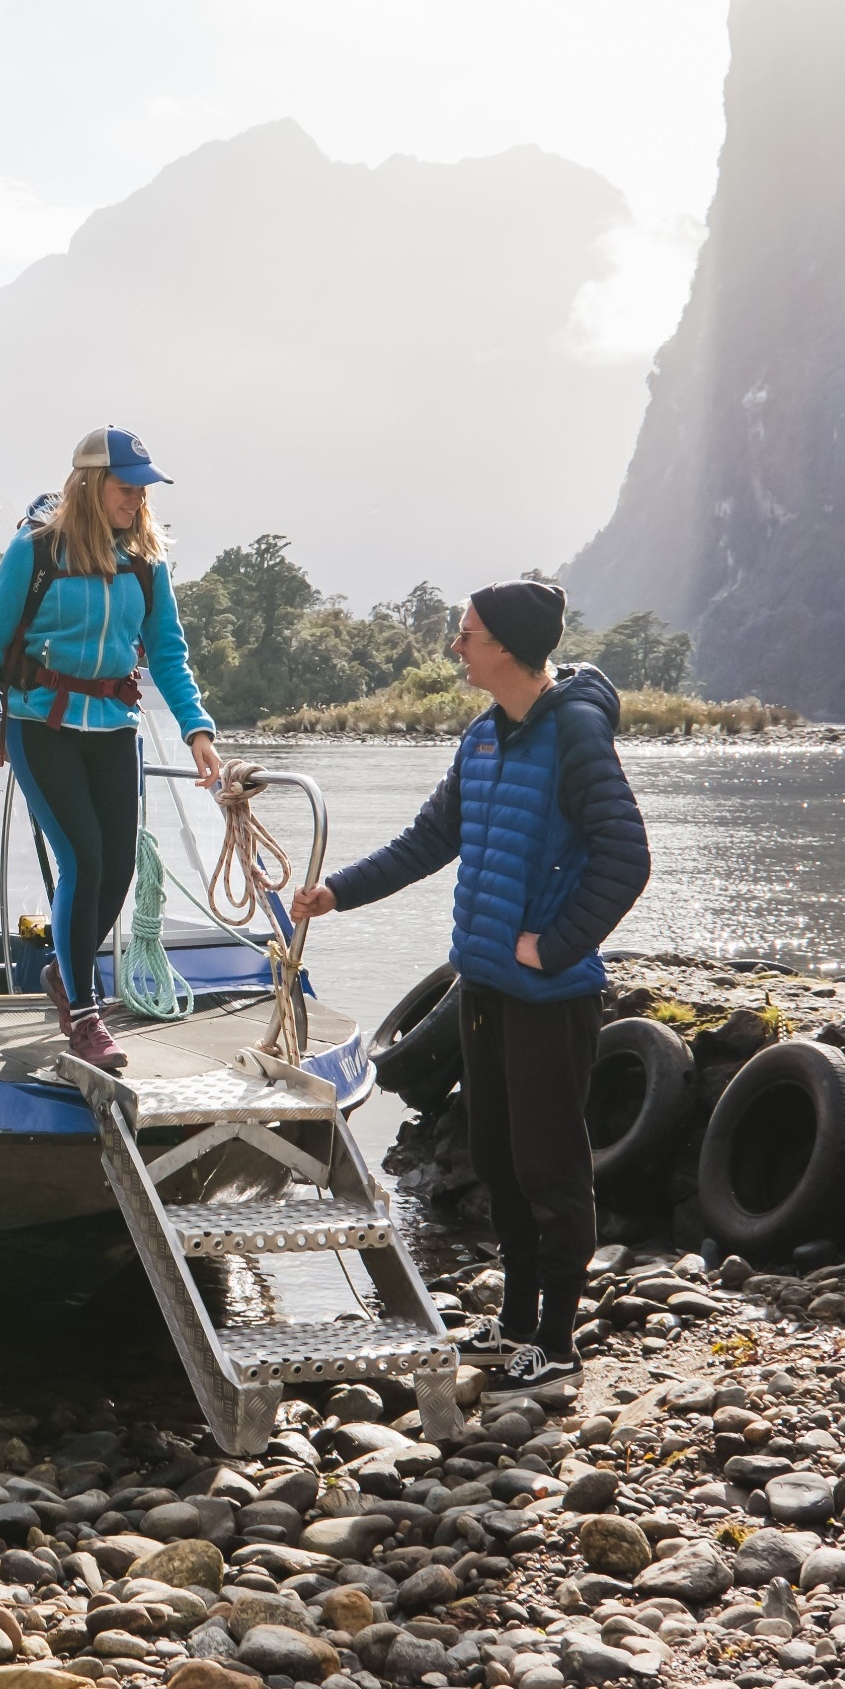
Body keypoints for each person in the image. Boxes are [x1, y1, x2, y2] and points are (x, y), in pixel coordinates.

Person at [294, 579, 651, 1395]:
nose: (456, 647)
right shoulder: (483, 738)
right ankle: (516, 1322)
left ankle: (557, 1342)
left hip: (548, 999)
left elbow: (627, 857)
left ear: (508, 647)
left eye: (468, 634)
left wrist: (554, 946)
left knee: (551, 1168)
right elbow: (429, 840)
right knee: (497, 1158)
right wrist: (336, 892)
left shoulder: (577, 737)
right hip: (483, 990)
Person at [0, 427, 224, 1071]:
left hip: (113, 728)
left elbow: (168, 655)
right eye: (126, 488)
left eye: (142, 490)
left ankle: (62, 971)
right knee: (82, 858)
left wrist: (198, 730)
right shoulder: (36, 551)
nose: (136, 500)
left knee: (119, 869)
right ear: (89, 485)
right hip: (39, 726)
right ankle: (84, 1015)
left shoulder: (148, 561)